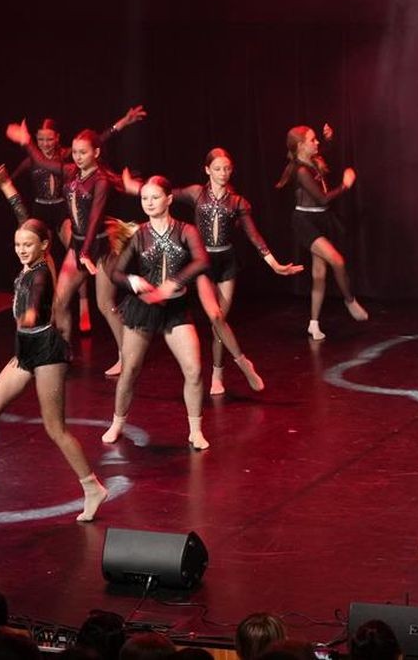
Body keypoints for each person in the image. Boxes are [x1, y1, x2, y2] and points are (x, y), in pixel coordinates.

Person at [0, 167, 107, 521]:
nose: (22, 250)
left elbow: (36, 300)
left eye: (28, 245)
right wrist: (6, 186)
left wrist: (27, 315)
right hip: (25, 350)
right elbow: (24, 219)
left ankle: (92, 487)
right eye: (17, 245)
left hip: (46, 352)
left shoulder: (41, 272)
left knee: (55, 428)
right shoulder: (36, 254)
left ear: (44, 246)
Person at [125, 149, 302, 394]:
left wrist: (273, 263)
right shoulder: (196, 193)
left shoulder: (237, 201)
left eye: (227, 169)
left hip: (226, 262)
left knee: (219, 321)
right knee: (215, 316)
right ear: (207, 170)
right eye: (217, 168)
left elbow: (253, 234)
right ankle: (232, 367)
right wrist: (133, 187)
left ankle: (225, 370)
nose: (222, 173)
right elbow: (164, 193)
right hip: (203, 262)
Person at [0, 107, 146, 334]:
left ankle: (90, 312)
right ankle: (52, 327)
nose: (45, 143)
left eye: (49, 139)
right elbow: (24, 171)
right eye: (40, 140)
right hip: (56, 223)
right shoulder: (63, 167)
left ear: (57, 139)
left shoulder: (85, 170)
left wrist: (122, 123)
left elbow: (94, 215)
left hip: (81, 228)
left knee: (101, 297)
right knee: (53, 283)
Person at [6, 120, 126, 375]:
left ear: (96, 153)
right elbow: (41, 162)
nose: (78, 157)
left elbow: (94, 219)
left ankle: (127, 356)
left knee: (105, 304)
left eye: (83, 152)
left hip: (101, 245)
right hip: (78, 245)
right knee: (59, 302)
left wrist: (86, 251)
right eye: (75, 152)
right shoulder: (71, 171)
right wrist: (26, 141)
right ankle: (62, 354)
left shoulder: (101, 181)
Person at [101, 176, 211, 450]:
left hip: (175, 308)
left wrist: (174, 282)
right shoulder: (139, 234)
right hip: (144, 307)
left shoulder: (185, 230)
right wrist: (133, 281)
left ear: (169, 199)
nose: (149, 203)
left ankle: (195, 430)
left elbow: (202, 261)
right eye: (144, 198)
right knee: (130, 370)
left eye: (155, 197)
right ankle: (117, 423)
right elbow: (116, 272)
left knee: (194, 370)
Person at [275, 124, 368, 340]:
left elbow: (324, 150)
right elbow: (322, 199)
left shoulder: (312, 160)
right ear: (301, 146)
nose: (316, 142)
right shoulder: (301, 171)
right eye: (312, 140)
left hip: (321, 219)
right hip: (305, 222)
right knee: (337, 261)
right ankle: (350, 301)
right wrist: (345, 185)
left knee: (319, 274)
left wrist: (329, 139)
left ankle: (313, 323)